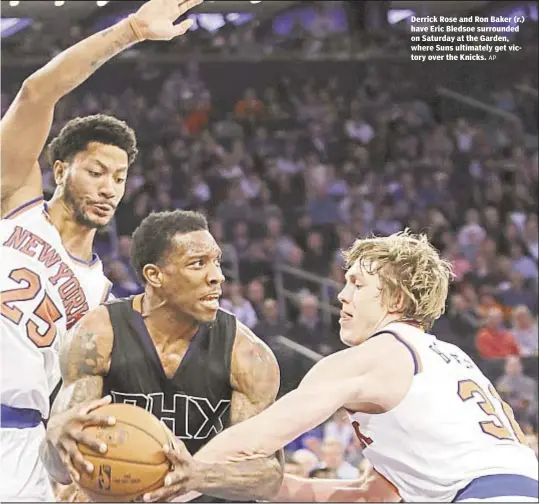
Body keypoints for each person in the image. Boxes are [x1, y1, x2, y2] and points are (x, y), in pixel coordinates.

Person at [0, 0, 201, 501]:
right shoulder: (14, 199)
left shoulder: (101, 294)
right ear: (62, 168)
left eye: (119, 178)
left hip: (20, 442)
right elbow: (35, 92)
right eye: (96, 171)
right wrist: (131, 30)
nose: (110, 187)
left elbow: (72, 394)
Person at [173, 230, 538, 503]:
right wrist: (251, 486)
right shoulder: (454, 361)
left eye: (356, 284)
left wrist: (176, 481)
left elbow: (256, 439)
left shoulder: (375, 355)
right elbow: (370, 495)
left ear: (396, 298)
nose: (342, 295)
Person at [40, 210, 283, 502]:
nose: (217, 277)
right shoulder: (97, 336)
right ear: (154, 275)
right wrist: (56, 437)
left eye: (216, 261)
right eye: (198, 264)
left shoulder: (247, 354)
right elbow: (59, 470)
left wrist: (197, 475)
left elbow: (269, 476)